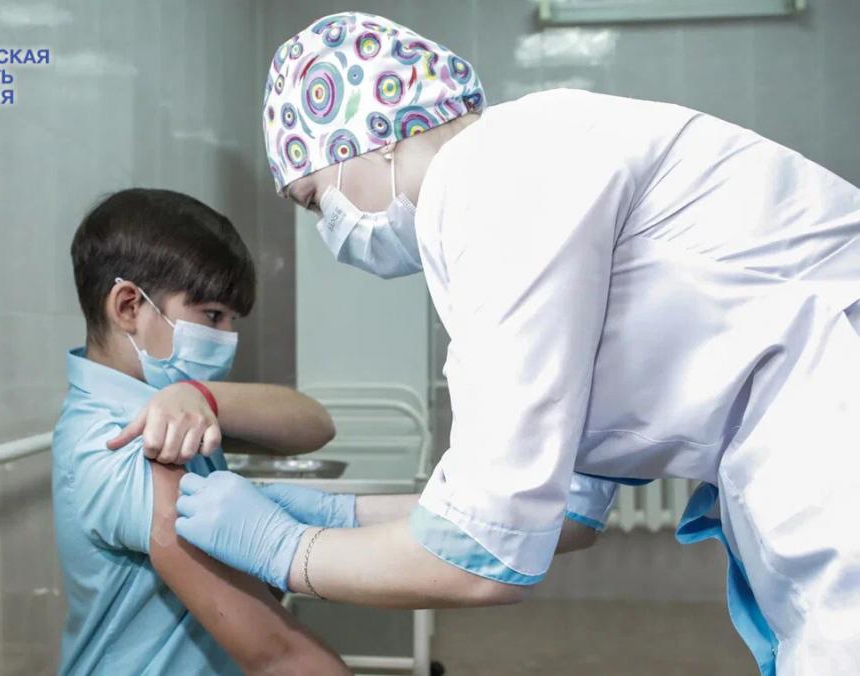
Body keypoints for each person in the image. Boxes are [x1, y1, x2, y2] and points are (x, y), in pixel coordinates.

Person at [142, 12, 860, 675]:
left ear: (367, 134)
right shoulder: (515, 179)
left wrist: (283, 549)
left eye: (314, 199)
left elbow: (482, 552)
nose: (329, 227)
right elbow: (561, 513)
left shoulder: (495, 178)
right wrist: (334, 514)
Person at [52, 188, 349, 675]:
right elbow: (276, 651)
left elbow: (314, 425)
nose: (227, 337)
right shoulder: (124, 439)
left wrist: (203, 396)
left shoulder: (170, 405)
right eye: (212, 315)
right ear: (128, 307)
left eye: (232, 319)